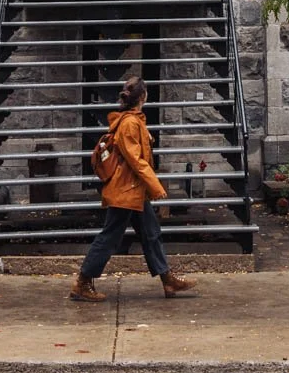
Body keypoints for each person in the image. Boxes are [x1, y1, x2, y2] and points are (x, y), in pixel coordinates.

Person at [70, 75, 195, 302]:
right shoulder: (129, 123)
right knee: (110, 237)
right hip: (126, 191)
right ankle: (83, 282)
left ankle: (167, 279)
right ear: (143, 96)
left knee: (151, 233)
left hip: (133, 190)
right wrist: (155, 186)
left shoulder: (134, 120)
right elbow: (136, 160)